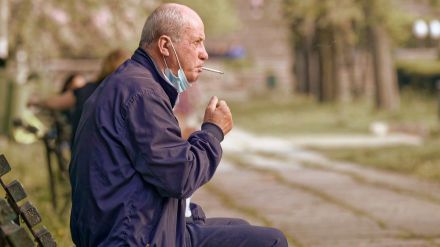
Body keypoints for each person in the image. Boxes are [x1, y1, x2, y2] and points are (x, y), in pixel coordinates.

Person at [69, 3, 288, 247]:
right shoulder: (141, 94)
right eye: (196, 42)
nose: (204, 54)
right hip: (129, 238)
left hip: (128, 228)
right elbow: (180, 177)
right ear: (165, 46)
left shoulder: (132, 82)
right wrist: (212, 132)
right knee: (272, 241)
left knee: (240, 228)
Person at [29, 49, 130, 145]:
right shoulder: (131, 97)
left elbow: (56, 102)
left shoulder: (87, 91)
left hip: (84, 155)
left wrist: (35, 102)